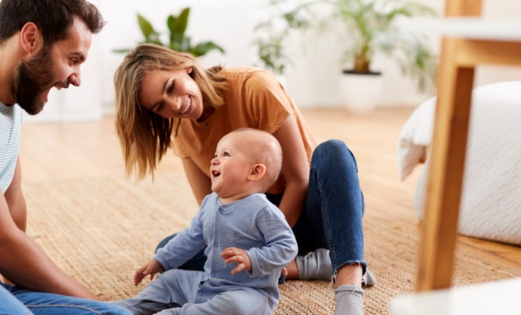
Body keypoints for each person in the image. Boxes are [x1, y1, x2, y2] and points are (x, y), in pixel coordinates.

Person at [114, 43, 377, 315]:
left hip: (317, 210)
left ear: (186, 68)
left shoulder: (255, 87)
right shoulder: (182, 131)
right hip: (255, 234)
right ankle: (304, 265)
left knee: (334, 151)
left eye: (171, 87)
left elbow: (299, 180)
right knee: (169, 251)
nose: (176, 105)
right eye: (161, 107)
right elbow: (211, 212)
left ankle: (348, 283)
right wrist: (255, 257)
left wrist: (262, 252)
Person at [0, 1, 130, 314]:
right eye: (73, 59)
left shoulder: (6, 105)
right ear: (30, 39)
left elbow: (12, 211)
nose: (76, 78)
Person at [117, 128, 298, 314]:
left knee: (234, 307)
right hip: (208, 282)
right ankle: (128, 308)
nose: (214, 160)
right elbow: (190, 237)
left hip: (249, 292)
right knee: (170, 279)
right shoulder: (209, 202)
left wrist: (253, 258)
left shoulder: (262, 209)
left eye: (226, 154)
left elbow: (287, 246)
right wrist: (161, 260)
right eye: (215, 154)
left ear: (255, 171)